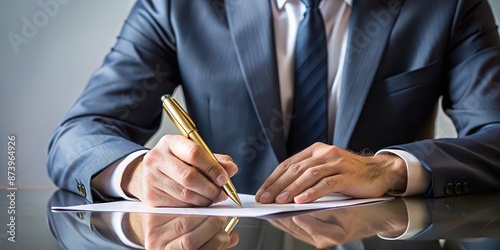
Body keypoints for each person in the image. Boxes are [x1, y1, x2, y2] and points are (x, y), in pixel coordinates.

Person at [47, 0, 500, 207]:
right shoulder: (175, 7)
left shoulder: (448, 6)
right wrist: (137, 171)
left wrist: (389, 168)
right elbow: (79, 134)